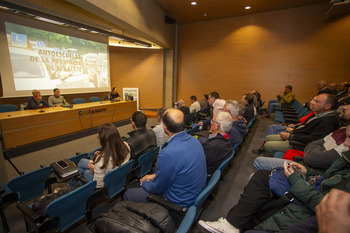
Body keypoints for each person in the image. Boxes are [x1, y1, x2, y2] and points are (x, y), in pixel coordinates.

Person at [198, 152, 350, 233]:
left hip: (307, 199)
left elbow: (325, 204)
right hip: (310, 185)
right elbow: (325, 178)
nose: (346, 143)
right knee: (262, 176)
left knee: (261, 176)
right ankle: (233, 223)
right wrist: (308, 171)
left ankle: (232, 223)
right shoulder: (344, 161)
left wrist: (295, 180)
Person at [123, 109, 207, 208]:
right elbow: (176, 170)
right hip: (194, 196)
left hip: (177, 204)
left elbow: (156, 188)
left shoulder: (167, 153)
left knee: (128, 193)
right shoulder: (194, 140)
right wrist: (153, 176)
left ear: (164, 127)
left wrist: (144, 183)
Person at [262, 93, 340, 157]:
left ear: (327, 106)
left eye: (317, 101)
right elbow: (305, 127)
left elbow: (313, 140)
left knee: (268, 145)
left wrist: (290, 136)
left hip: (299, 144)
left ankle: (272, 167)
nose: (312, 102)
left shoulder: (328, 121)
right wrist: (295, 127)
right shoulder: (319, 114)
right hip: (296, 135)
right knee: (268, 138)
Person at [77, 123, 130, 188]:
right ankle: (77, 183)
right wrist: (102, 154)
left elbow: (98, 185)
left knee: (85, 171)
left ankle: (75, 184)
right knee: (82, 162)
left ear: (103, 140)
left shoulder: (102, 161)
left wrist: (95, 170)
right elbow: (114, 157)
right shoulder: (126, 146)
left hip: (106, 183)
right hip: (117, 174)